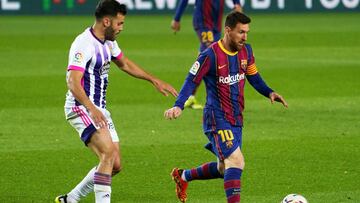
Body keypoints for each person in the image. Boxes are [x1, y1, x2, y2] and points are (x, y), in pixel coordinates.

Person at [55, 1, 178, 203]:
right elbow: (72, 82)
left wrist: (153, 79)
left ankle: (71, 198)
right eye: (119, 23)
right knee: (108, 153)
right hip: (81, 106)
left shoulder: (108, 41)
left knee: (115, 164)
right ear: (106, 21)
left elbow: (124, 63)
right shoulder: (83, 44)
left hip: (97, 108)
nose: (121, 27)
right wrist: (91, 108)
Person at [164, 12, 288, 203]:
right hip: (216, 116)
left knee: (224, 168)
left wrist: (269, 92)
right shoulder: (210, 55)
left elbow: (253, 76)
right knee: (237, 161)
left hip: (236, 117)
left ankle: (183, 176)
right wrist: (178, 106)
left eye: (247, 32)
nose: (245, 37)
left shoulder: (246, 51)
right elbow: (191, 79)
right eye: (241, 32)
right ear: (228, 30)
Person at [171, 0, 242, 109]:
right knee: (212, 56)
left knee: (204, 58)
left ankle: (190, 97)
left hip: (216, 23)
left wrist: (237, 3)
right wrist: (177, 18)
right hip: (203, 22)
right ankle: (219, 99)